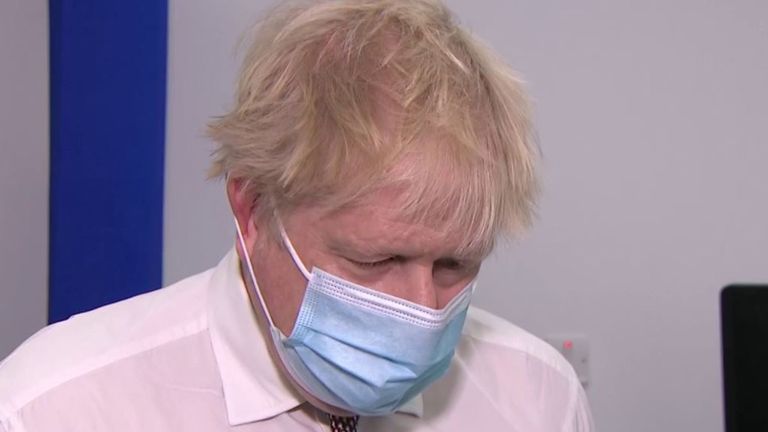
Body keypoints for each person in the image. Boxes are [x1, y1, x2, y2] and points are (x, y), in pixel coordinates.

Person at [0, 0, 593, 430]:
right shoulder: (53, 408)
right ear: (252, 206)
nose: (422, 312)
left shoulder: (538, 399)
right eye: (376, 258)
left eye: (455, 264)